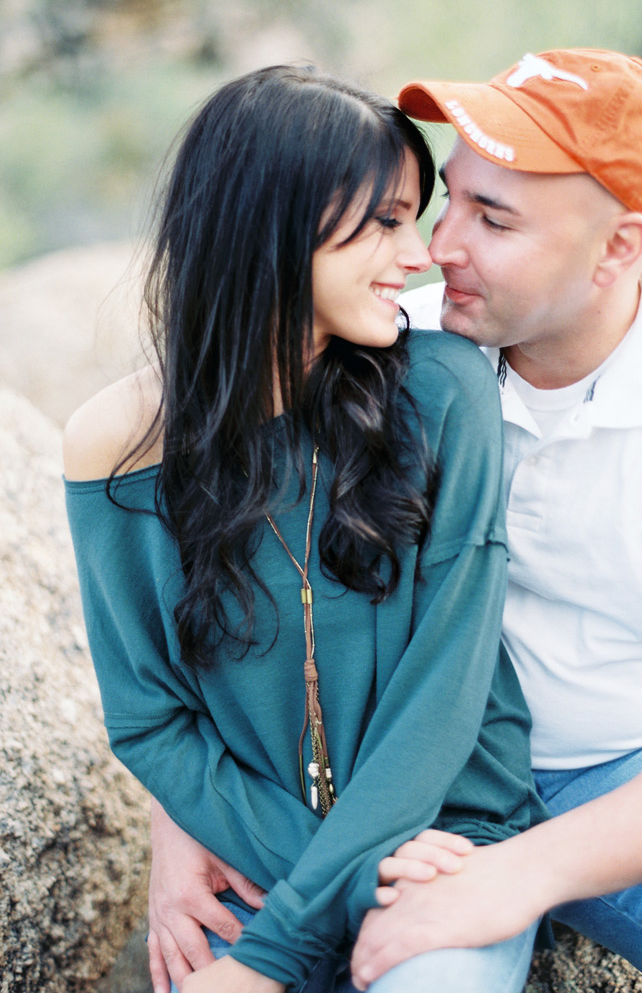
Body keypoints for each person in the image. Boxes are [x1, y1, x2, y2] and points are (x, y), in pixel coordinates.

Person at [145, 49, 642, 993]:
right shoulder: (384, 338)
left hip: (641, 775)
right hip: (405, 779)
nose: (437, 247)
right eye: (449, 201)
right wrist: (178, 821)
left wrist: (524, 872)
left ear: (620, 247)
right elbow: (215, 581)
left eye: (493, 218)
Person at [62, 65, 547, 993]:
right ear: (272, 225)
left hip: (447, 850)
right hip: (270, 857)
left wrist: (275, 955)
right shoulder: (116, 447)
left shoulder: (443, 391)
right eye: (387, 221)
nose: (419, 257)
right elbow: (152, 720)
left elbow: (443, 696)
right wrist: (329, 883)